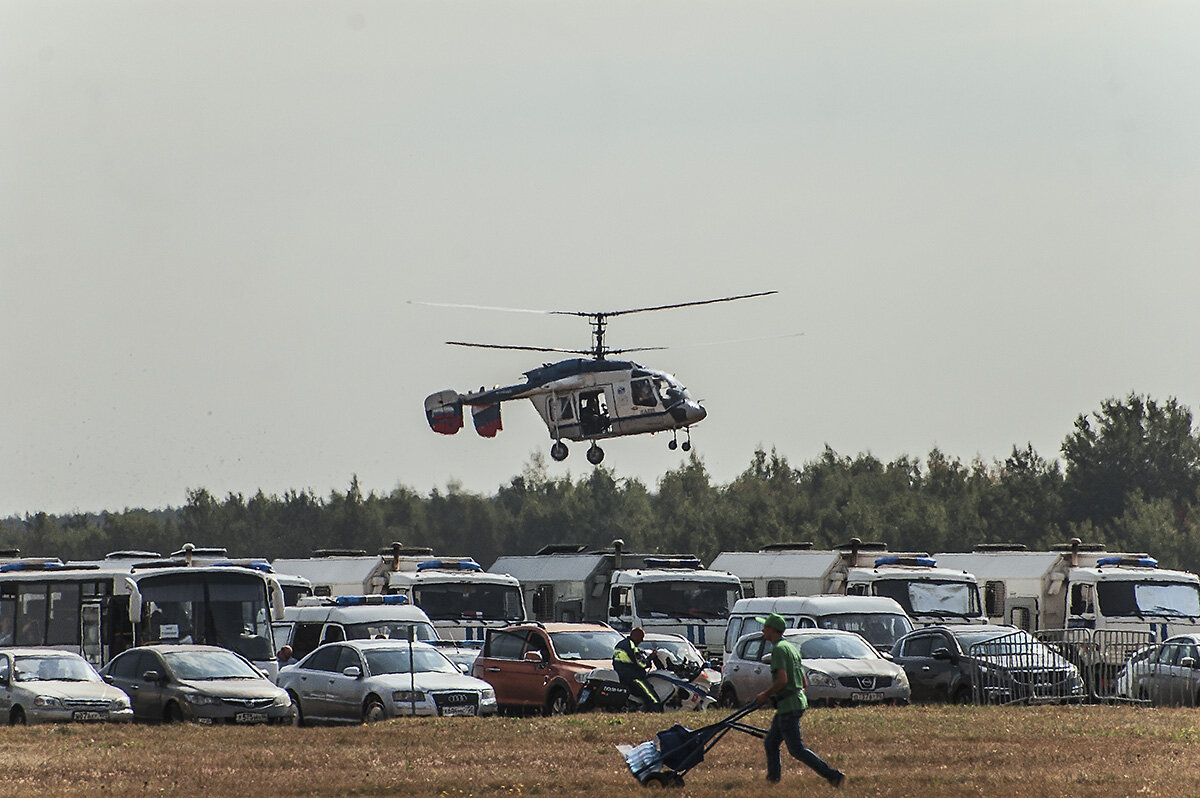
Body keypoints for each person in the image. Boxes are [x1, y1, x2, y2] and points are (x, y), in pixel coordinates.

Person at [754, 613, 845, 788]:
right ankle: (772, 781)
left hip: (789, 705)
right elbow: (803, 681)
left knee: (796, 749)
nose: (763, 630)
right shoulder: (791, 648)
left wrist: (765, 694)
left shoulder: (779, 649)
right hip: (793, 701)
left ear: (772, 630)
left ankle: (833, 775)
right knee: (771, 743)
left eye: (765, 627)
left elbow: (782, 680)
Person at [612, 627, 663, 712]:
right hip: (635, 677)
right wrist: (650, 658)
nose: (642, 640)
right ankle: (656, 714)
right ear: (635, 636)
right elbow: (641, 663)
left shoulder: (620, 644)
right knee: (653, 698)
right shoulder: (632, 646)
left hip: (622, 677)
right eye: (641, 637)